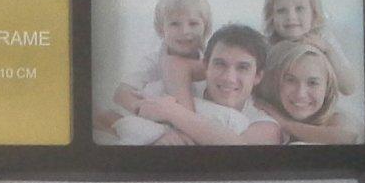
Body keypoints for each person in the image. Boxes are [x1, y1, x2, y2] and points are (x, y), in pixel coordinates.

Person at [102, 24, 282, 146]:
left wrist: (174, 113)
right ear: (206, 66)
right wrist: (155, 138)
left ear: (257, 76)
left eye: (242, 67)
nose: (229, 78)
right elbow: (109, 115)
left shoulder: (263, 123)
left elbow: (241, 149)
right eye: (220, 64)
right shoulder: (178, 89)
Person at [111, 0, 213, 113]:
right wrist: (143, 108)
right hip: (160, 117)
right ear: (160, 29)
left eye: (193, 24)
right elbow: (121, 93)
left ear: (206, 28)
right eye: (174, 24)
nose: (184, 31)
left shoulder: (211, 62)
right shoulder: (153, 61)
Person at [261, 0, 359, 96]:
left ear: (314, 13)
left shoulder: (323, 39)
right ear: (271, 17)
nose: (291, 16)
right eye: (281, 10)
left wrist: (328, 50)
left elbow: (349, 88)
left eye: (299, 9)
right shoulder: (268, 47)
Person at [252, 40, 361, 144]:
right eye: (291, 80)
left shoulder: (335, 118)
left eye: (313, 83)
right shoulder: (264, 108)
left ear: (327, 89)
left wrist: (286, 124)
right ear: (278, 83)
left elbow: (348, 137)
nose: (300, 94)